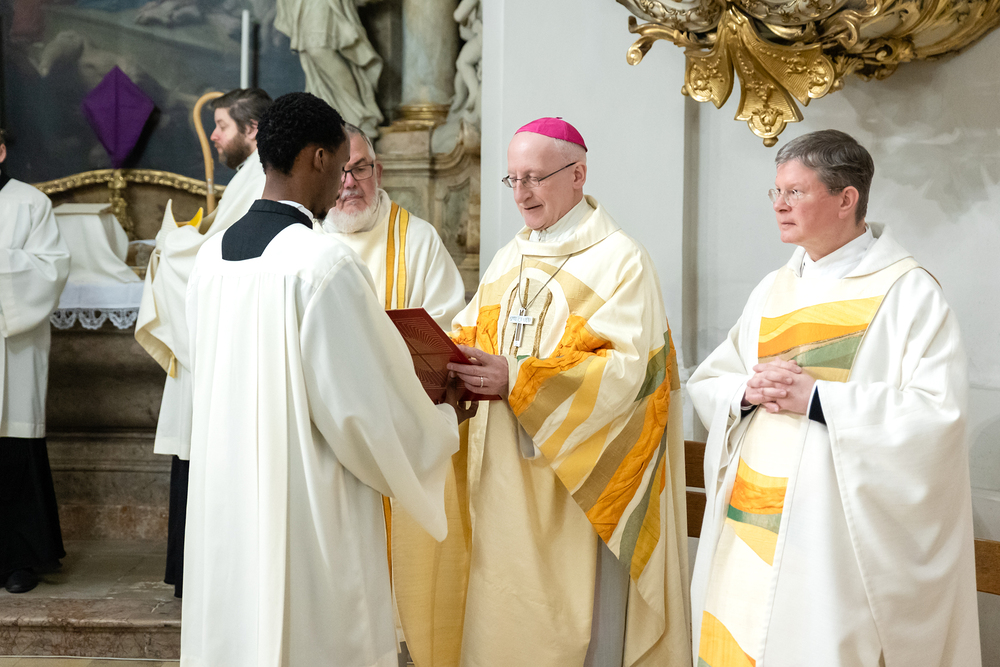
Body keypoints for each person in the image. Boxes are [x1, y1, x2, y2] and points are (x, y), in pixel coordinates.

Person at [179, 92, 469, 667]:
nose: (342, 181)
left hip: (227, 503)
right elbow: (363, 413)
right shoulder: (321, 264)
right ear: (318, 158)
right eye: (340, 165)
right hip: (306, 509)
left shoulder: (210, 261)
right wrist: (442, 420)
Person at [400, 117, 690, 667]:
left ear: (577, 174)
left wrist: (518, 379)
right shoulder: (512, 256)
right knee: (496, 617)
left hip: (573, 488)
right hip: (500, 475)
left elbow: (630, 375)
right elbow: (473, 332)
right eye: (513, 179)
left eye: (534, 177)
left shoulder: (620, 260)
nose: (521, 193)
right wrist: (447, 361)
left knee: (570, 629)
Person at [687, 129, 980, 666]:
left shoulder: (907, 292)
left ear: (846, 199)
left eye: (795, 192)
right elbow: (713, 379)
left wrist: (820, 399)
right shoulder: (773, 288)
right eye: (776, 192)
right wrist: (746, 390)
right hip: (752, 512)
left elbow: (938, 415)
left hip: (832, 537)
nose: (779, 205)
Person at [135, 87, 271, 598]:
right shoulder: (249, 176)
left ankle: (199, 578)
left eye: (222, 126)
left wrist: (170, 247)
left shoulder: (260, 176)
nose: (213, 136)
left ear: (252, 129)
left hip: (221, 342)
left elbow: (220, 255)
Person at [0, 128, 71, 594]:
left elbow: (51, 269)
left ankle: (18, 560)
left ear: (1, 151)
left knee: (13, 451)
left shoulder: (29, 203)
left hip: (12, 346)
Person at [319, 123, 466, 328]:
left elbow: (446, 329)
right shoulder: (304, 240)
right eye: (339, 171)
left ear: (378, 174)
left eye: (360, 169)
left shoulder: (420, 240)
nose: (350, 182)